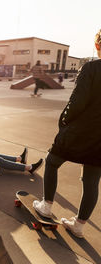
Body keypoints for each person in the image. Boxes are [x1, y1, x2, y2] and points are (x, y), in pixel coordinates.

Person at [33, 30, 101, 238]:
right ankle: (78, 225)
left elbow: (77, 101)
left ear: (98, 45)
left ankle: (46, 205)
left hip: (80, 131)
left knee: (52, 161)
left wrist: (64, 119)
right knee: (91, 180)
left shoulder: (91, 68)